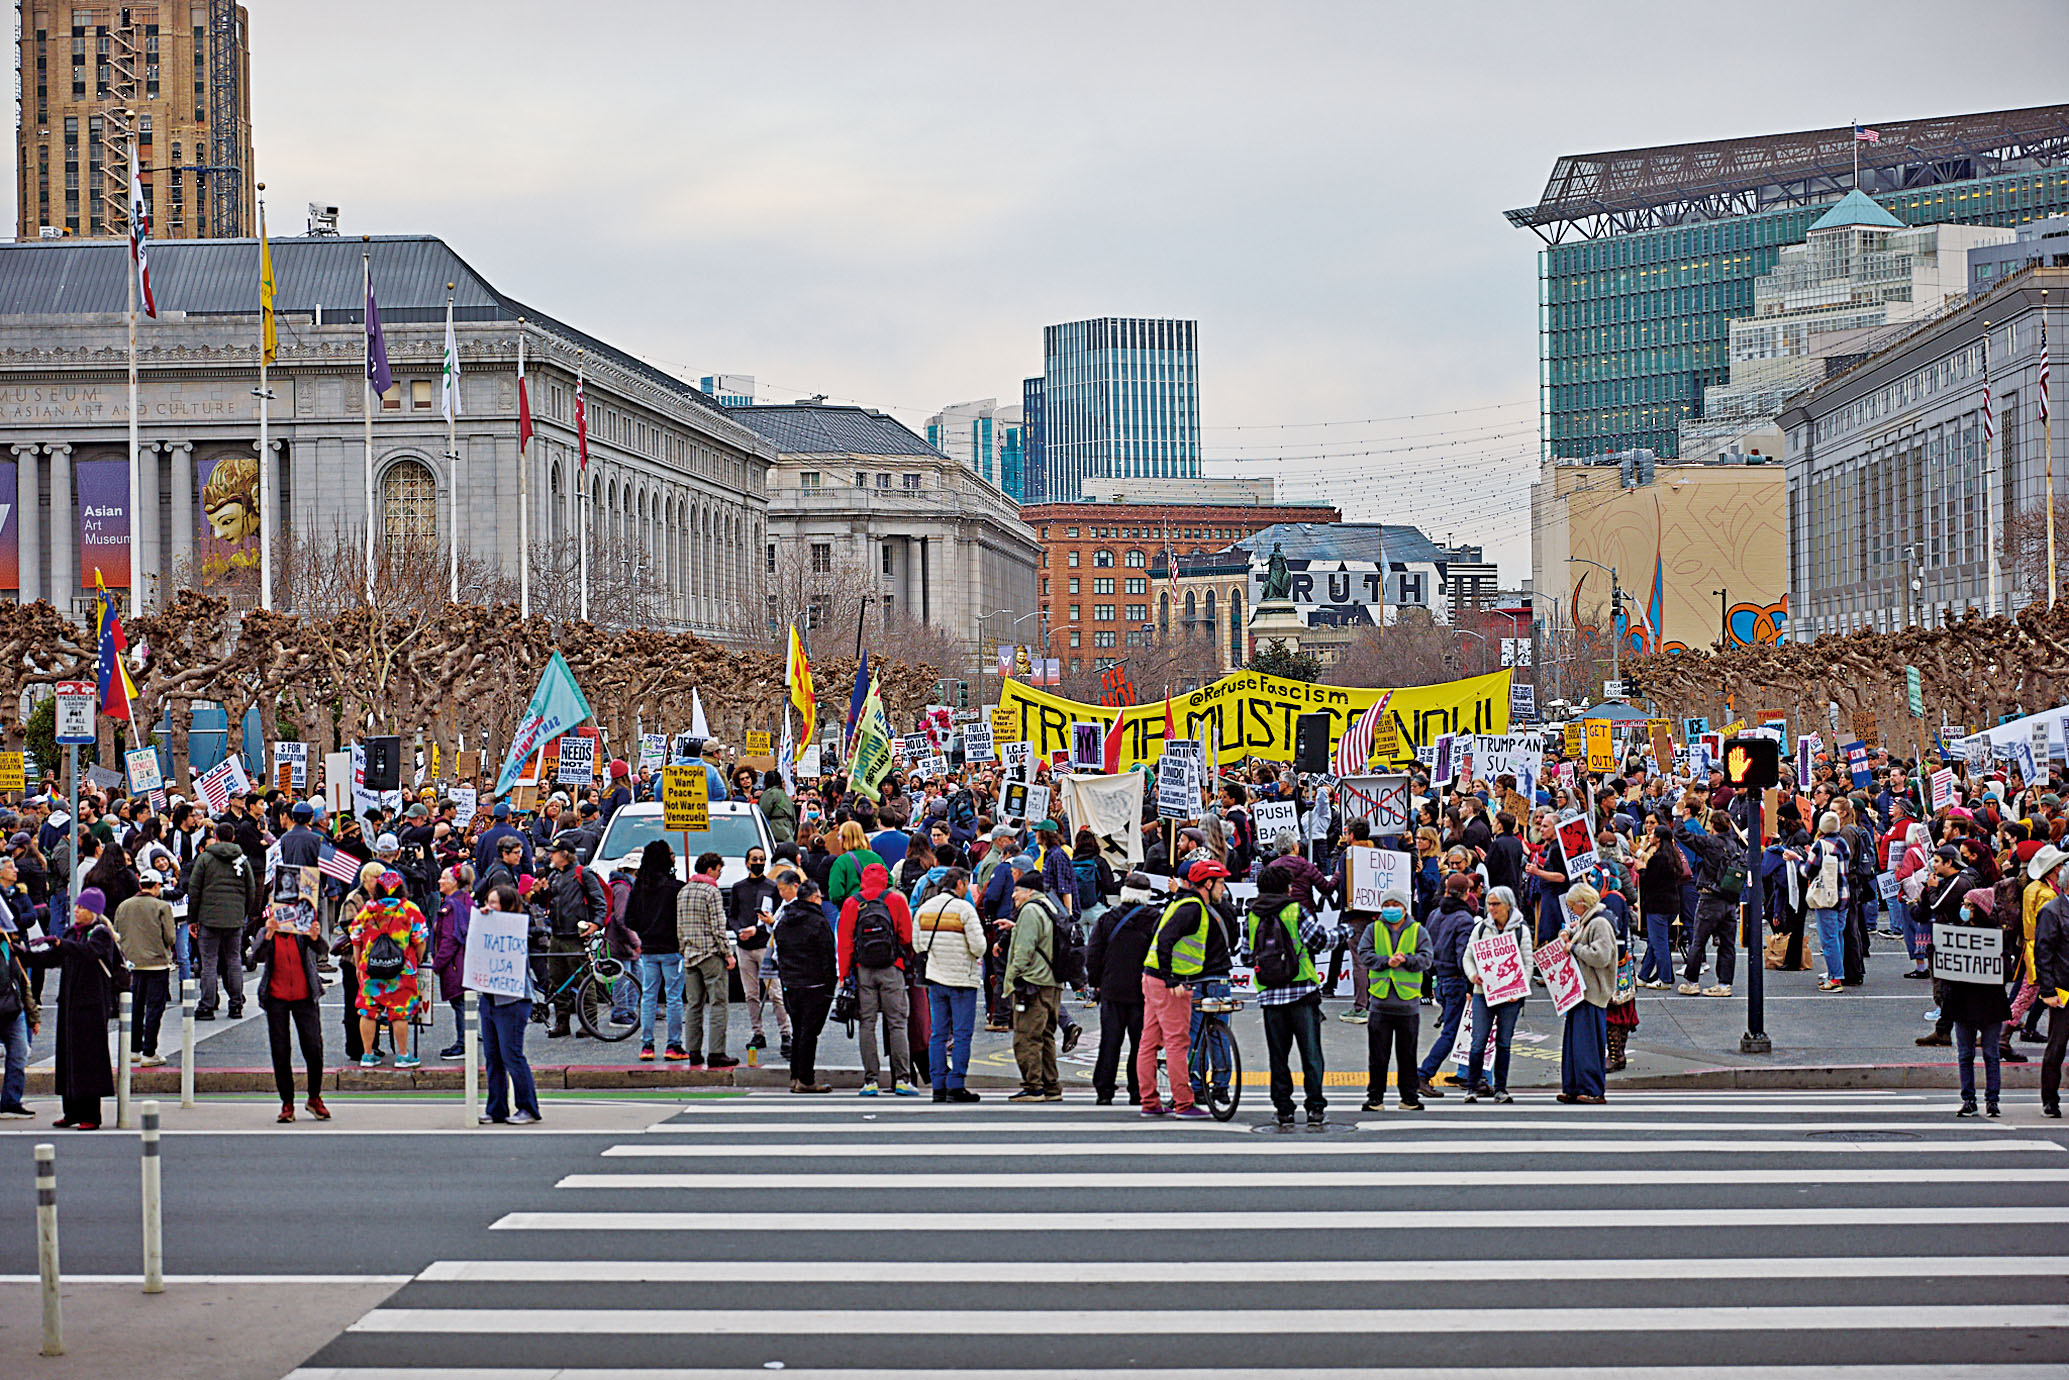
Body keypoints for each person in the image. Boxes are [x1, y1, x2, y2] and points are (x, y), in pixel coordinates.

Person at [1245, 867, 1336, 1128]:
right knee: (1311, 1054)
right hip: (1302, 993)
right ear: (1285, 887)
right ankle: (1315, 1108)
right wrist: (1343, 933)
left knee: (1278, 1056)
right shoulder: (1296, 911)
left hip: (1270, 997)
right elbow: (1319, 941)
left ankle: (1283, 1109)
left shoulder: (1251, 916)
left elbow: (1244, 956)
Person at [22, 889, 120, 1129]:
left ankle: (90, 1115)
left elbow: (88, 953)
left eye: (81, 907)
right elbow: (52, 958)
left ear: (93, 911)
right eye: (75, 906)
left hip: (92, 1005)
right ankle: (71, 1111)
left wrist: (60, 943)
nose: (75, 911)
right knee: (68, 1056)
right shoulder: (71, 933)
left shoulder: (100, 934)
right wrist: (24, 954)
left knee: (89, 1058)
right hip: (69, 1003)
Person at [1139, 859, 1229, 1119]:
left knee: (1150, 1042)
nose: (1223, 889)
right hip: (1170, 982)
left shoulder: (1179, 903)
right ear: (1208, 883)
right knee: (1177, 1042)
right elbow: (1166, 938)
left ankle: (1150, 1101)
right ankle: (1183, 1102)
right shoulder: (1194, 908)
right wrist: (1172, 979)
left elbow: (1158, 933)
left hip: (1152, 977)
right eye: (1220, 883)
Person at [837, 859, 917, 1095]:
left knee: (867, 1024)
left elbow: (844, 943)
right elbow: (906, 936)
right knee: (897, 1023)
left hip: (864, 970)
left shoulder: (852, 903)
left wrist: (844, 975)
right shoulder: (895, 900)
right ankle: (902, 1079)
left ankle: (870, 1080)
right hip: (893, 968)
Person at [254, 898, 330, 1123]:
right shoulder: (267, 930)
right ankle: (287, 1102)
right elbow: (255, 957)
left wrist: (315, 936)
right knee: (280, 1050)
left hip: (304, 996)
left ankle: (314, 1097)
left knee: (313, 1047)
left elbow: (322, 949)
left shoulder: (302, 929)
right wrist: (268, 934)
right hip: (276, 997)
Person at [914, 866, 985, 1103]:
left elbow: (918, 945)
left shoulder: (925, 909)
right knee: (962, 1034)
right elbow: (978, 947)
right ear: (961, 885)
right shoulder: (964, 909)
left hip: (935, 978)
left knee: (938, 1034)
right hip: (962, 979)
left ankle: (938, 1085)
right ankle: (956, 1084)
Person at [348, 870, 431, 1070]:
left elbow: (356, 938)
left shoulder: (368, 909)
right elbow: (420, 939)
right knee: (399, 1013)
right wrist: (417, 959)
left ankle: (367, 1054)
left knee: (367, 1011)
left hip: (371, 969)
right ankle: (403, 1055)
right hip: (402, 969)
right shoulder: (409, 909)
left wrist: (360, 964)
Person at [1086, 872, 1156, 1107]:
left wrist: (1096, 982)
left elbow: (1094, 953)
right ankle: (1138, 1089)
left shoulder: (1108, 919)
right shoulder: (1154, 918)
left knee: (1110, 1041)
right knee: (1141, 1044)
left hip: (1112, 988)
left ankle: (1104, 1091)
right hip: (1142, 990)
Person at [475, 882, 542, 1125]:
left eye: (493, 903)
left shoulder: (517, 927)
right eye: (487, 902)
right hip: (490, 997)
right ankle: (496, 1108)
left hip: (513, 1000)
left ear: (507, 905)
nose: (488, 907)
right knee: (492, 1057)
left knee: (512, 1055)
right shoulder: (487, 925)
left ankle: (528, 1107)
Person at [1358, 888, 1430, 1112]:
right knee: (1377, 1056)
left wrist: (1406, 960)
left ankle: (1409, 1098)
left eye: (1394, 904)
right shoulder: (1374, 929)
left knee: (1407, 1055)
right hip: (1380, 1002)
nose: (1390, 909)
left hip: (1407, 1004)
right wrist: (1385, 961)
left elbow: (1426, 959)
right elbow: (1364, 954)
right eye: (1386, 905)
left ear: (1404, 907)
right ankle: (1375, 1099)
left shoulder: (1418, 930)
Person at [1944, 886, 2011, 1117]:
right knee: (1965, 1054)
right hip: (1963, 1002)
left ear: (1980, 909)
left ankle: (1992, 1100)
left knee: (1991, 1054)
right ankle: (1968, 1099)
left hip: (1989, 1003)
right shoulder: (1956, 935)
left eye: (1969, 905)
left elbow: (2007, 973)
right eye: (1964, 904)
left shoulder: (1997, 936)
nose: (1964, 909)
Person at [1461, 885, 1532, 1103]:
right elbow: (1468, 957)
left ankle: (1500, 1089)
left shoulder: (1521, 930)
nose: (1491, 908)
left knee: (1503, 1042)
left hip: (1510, 996)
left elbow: (1528, 963)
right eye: (1489, 904)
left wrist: (1518, 990)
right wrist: (1473, 976)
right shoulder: (1481, 928)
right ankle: (1472, 1087)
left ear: (1508, 905)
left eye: (1496, 904)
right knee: (1478, 1042)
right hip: (1483, 993)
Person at [1003, 859, 1065, 1103]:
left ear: (1029, 891)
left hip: (1032, 983)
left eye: (1017, 890)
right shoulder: (1048, 906)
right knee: (1046, 1036)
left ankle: (1033, 1086)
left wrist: (1010, 981)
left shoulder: (1029, 910)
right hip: (1051, 982)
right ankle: (1051, 1086)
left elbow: (1024, 951)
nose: (1013, 894)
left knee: (1026, 1036)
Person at [1414, 872, 1477, 1101]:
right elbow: (1463, 955)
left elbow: (1427, 946)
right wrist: (1471, 983)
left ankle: (1472, 1073)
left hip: (1439, 978)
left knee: (1455, 1028)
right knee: (1452, 1032)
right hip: (1456, 980)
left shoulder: (1435, 914)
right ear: (1467, 893)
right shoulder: (1464, 919)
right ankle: (1424, 1073)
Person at [1555, 882, 1619, 1105]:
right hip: (1580, 991)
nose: (1572, 909)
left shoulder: (1599, 923)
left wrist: (1573, 948)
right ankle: (1573, 1087)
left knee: (1588, 1044)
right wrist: (1566, 932)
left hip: (1592, 992)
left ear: (1583, 903)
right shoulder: (1589, 920)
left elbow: (1601, 956)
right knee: (1575, 1045)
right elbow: (1575, 930)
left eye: (1573, 905)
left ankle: (1591, 1089)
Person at [772, 869, 836, 1094]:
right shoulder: (818, 921)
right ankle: (806, 1079)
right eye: (819, 897)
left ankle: (796, 1075)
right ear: (813, 898)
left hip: (791, 983)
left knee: (798, 1029)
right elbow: (828, 955)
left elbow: (780, 951)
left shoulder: (784, 920)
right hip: (815, 985)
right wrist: (831, 984)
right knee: (809, 1033)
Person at [677, 850, 739, 1069]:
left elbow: (680, 925)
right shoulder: (711, 892)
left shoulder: (683, 891)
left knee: (693, 1005)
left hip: (690, 954)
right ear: (710, 869)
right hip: (711, 954)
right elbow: (718, 927)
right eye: (719, 870)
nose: (720, 875)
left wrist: (684, 948)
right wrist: (728, 954)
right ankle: (716, 1051)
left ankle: (693, 1050)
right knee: (718, 1003)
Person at [541, 839, 609, 1038]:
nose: (549, 856)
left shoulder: (583, 873)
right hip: (557, 935)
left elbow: (599, 901)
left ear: (564, 854)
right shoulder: (554, 876)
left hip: (576, 936)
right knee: (557, 980)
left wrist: (596, 923)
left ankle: (589, 1023)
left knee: (583, 981)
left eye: (553, 852)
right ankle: (562, 1022)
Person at [624, 840, 685, 1061]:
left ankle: (647, 1045)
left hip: (648, 948)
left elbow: (628, 918)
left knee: (649, 996)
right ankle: (674, 1045)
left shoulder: (639, 887)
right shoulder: (676, 887)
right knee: (674, 997)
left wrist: (644, 931)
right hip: (672, 948)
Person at [188, 821, 255, 1019]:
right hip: (234, 918)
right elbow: (251, 890)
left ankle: (207, 1005)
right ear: (233, 837)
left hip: (209, 917)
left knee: (209, 962)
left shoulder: (205, 858)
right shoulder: (242, 860)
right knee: (233, 960)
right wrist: (243, 911)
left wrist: (193, 918)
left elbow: (194, 889)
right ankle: (236, 1004)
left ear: (216, 837)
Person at [111, 866, 176, 1065]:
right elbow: (170, 937)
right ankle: (150, 1052)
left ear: (140, 884)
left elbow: (117, 933)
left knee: (136, 1008)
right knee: (154, 1008)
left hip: (132, 964)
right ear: (157, 886)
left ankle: (134, 1049)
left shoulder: (124, 906)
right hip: (157, 964)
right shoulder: (162, 907)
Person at [729, 845, 789, 1057]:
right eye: (754, 859)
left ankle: (786, 1033)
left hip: (766, 945)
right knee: (751, 994)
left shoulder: (772, 887)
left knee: (775, 993)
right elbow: (732, 916)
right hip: (744, 946)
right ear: (747, 862)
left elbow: (778, 914)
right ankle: (758, 1032)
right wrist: (738, 931)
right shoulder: (738, 887)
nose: (758, 862)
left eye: (761, 859)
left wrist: (758, 928)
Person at [1675, 809, 1739, 998]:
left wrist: (1679, 816)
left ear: (1712, 825)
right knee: (1727, 944)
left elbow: (1681, 835)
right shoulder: (1735, 845)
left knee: (1699, 941)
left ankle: (1692, 982)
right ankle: (1724, 983)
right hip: (1729, 898)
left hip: (1710, 896)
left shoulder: (1710, 843)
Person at [2030, 849, 2069, 1119]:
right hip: (2063, 990)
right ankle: (2050, 1099)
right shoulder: (2052, 910)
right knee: (2057, 1045)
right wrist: (2047, 991)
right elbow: (2043, 953)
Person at [1803, 811, 1851, 993]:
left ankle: (1835, 977)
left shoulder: (1820, 845)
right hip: (1843, 894)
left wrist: (1799, 860)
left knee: (1828, 938)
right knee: (1838, 936)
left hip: (1827, 895)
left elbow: (1808, 871)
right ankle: (1837, 973)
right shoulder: (1842, 842)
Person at [430, 864, 474, 1061]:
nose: (440, 881)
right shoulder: (466, 901)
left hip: (456, 962)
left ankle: (463, 1042)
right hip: (466, 959)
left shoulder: (452, 906)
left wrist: (438, 963)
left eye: (444, 878)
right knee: (465, 1002)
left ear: (455, 882)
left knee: (460, 1003)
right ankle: (468, 1038)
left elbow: (450, 938)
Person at [0, 911, 37, 1117]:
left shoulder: (12, 948)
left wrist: (32, 1015)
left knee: (18, 1056)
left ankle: (11, 1102)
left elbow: (23, 982)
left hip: (14, 1010)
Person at [760, 771, 796, 844]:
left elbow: (762, 813)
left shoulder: (769, 793)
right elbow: (794, 820)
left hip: (775, 835)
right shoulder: (786, 796)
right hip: (788, 835)